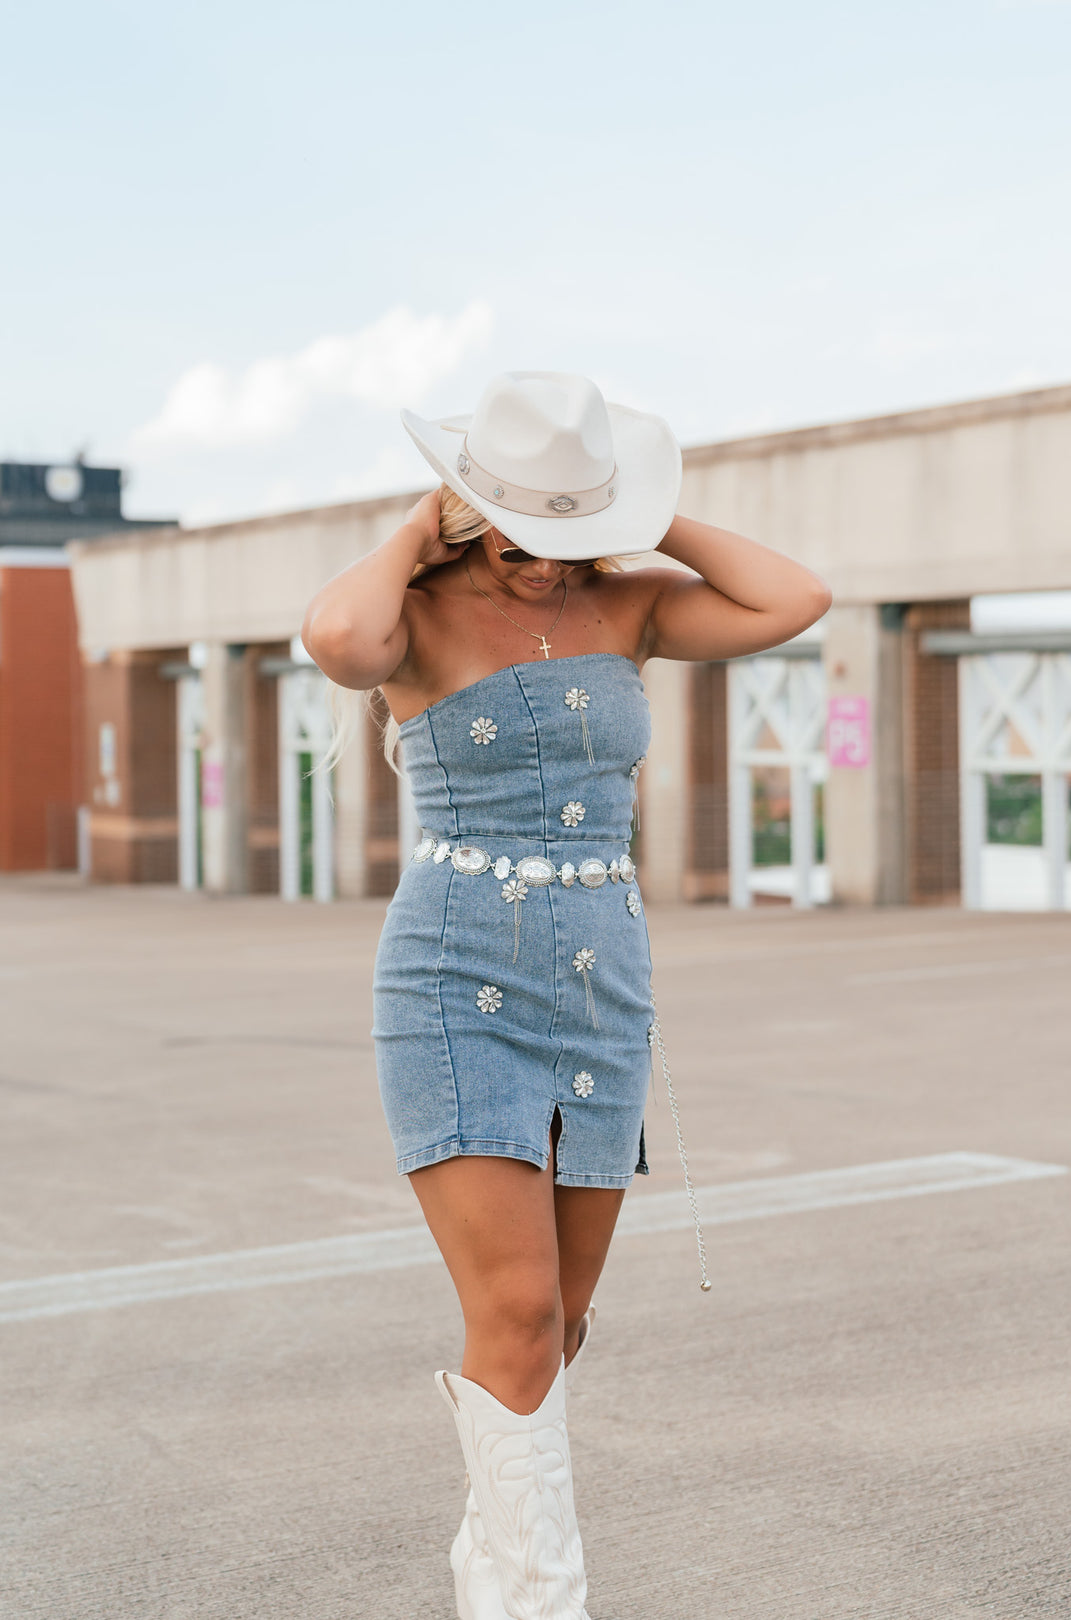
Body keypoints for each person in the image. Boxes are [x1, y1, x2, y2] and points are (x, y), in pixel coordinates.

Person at [302, 371, 831, 1619]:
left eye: (572, 531)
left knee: (560, 1324)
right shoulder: (416, 611)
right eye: (526, 532)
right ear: (471, 507)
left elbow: (794, 599)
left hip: (602, 984)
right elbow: (335, 643)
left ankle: (493, 1567)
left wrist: (644, 524)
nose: (548, 565)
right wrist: (415, 532)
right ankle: (538, 1603)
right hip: (454, 973)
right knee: (521, 1307)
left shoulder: (630, 600)